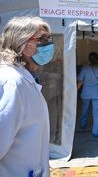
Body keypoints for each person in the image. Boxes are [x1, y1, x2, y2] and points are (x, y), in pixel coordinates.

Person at [0, 16, 55, 177]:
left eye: (48, 38)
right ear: (21, 44)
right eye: (41, 39)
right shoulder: (11, 83)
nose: (48, 44)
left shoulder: (25, 79)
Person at [77, 52, 98, 138]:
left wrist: (75, 91)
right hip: (97, 93)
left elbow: (80, 81)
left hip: (86, 93)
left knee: (84, 110)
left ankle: (83, 125)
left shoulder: (85, 68)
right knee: (96, 113)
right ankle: (95, 132)